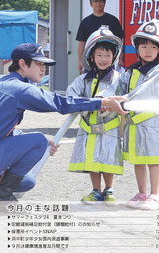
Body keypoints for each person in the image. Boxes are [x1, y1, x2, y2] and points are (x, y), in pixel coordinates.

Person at [0, 43, 126, 201]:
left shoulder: (6, 83)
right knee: (38, 140)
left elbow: (4, 128)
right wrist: (101, 102)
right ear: (22, 64)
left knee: (27, 181)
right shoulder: (22, 89)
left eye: (44, 64)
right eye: (39, 63)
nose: (43, 68)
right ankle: (3, 196)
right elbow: (61, 103)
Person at [101, 19, 159, 210]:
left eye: (153, 46)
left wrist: (122, 99)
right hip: (135, 123)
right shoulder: (130, 71)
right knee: (138, 159)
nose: (148, 50)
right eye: (143, 45)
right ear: (137, 48)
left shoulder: (156, 73)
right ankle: (142, 194)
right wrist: (103, 98)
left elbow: (141, 93)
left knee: (153, 160)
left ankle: (155, 195)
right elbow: (116, 86)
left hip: (152, 123)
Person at [67, 27, 123, 203]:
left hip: (109, 128)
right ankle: (96, 191)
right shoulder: (84, 79)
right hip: (89, 127)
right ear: (91, 56)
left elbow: (124, 96)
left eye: (107, 55)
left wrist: (112, 106)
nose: (103, 59)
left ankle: (109, 189)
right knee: (91, 159)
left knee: (108, 158)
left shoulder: (119, 78)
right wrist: (89, 105)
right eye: (99, 55)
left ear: (114, 56)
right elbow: (71, 95)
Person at [76, 0, 124, 73]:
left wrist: (120, 59)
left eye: (101, 1)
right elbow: (81, 44)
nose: (98, 3)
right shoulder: (85, 22)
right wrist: (80, 61)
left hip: (108, 62)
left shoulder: (113, 20)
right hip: (90, 63)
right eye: (95, 1)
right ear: (90, 3)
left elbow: (119, 42)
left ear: (105, 3)